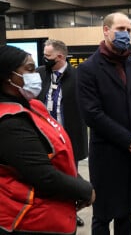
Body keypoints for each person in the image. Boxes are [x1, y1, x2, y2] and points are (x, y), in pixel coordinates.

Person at [0, 45, 95, 235]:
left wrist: (76, 182)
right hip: (28, 219)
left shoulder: (33, 107)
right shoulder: (9, 122)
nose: (35, 75)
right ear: (8, 77)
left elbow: (57, 154)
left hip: (54, 211)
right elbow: (44, 176)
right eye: (29, 69)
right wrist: (85, 190)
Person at [76, 12, 131, 235]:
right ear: (106, 30)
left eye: (129, 30)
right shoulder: (88, 69)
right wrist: (130, 140)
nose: (126, 34)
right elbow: (92, 114)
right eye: (121, 29)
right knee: (102, 215)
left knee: (126, 213)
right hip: (108, 154)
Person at [37, 39, 88, 227]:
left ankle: (71, 212)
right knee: (45, 175)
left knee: (69, 176)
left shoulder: (78, 77)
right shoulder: (39, 73)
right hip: (42, 136)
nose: (45, 59)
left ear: (60, 57)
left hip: (68, 137)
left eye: (48, 56)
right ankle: (48, 211)